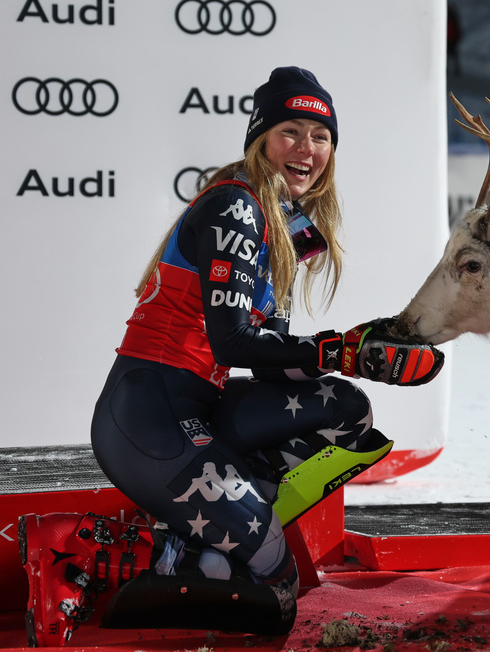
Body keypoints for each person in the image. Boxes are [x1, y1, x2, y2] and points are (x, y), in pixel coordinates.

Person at [20, 67, 444, 646]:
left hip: (199, 404)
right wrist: (340, 351)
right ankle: (75, 548)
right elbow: (233, 344)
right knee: (274, 588)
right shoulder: (235, 208)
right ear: (260, 140)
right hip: (148, 415)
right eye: (290, 132)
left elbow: (268, 365)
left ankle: (214, 524)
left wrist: (360, 345)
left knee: (347, 409)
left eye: (320, 137)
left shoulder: (285, 226)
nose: (307, 148)